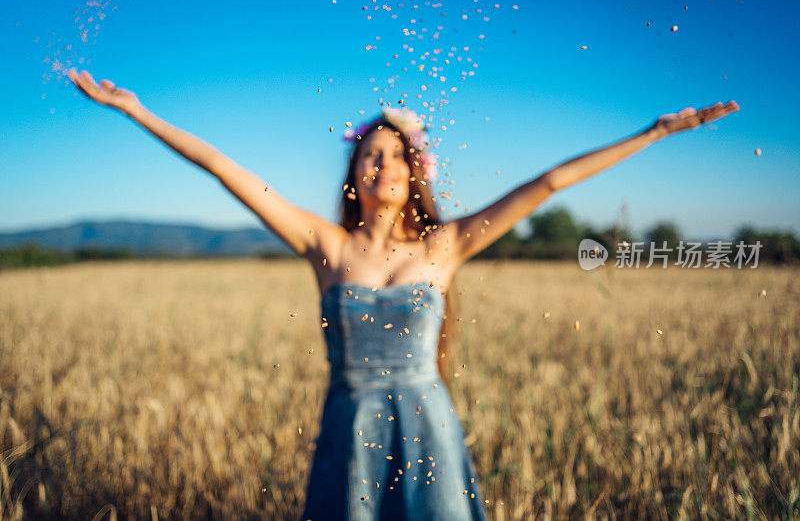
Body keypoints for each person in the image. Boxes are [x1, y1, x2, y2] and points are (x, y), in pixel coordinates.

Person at [67, 68, 739, 519]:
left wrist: (654, 133)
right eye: (371, 154)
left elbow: (550, 183)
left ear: (415, 169)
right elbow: (223, 169)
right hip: (349, 429)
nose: (383, 163)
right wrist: (137, 111)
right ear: (355, 170)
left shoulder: (443, 247)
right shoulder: (323, 243)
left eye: (396, 154)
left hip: (429, 429)